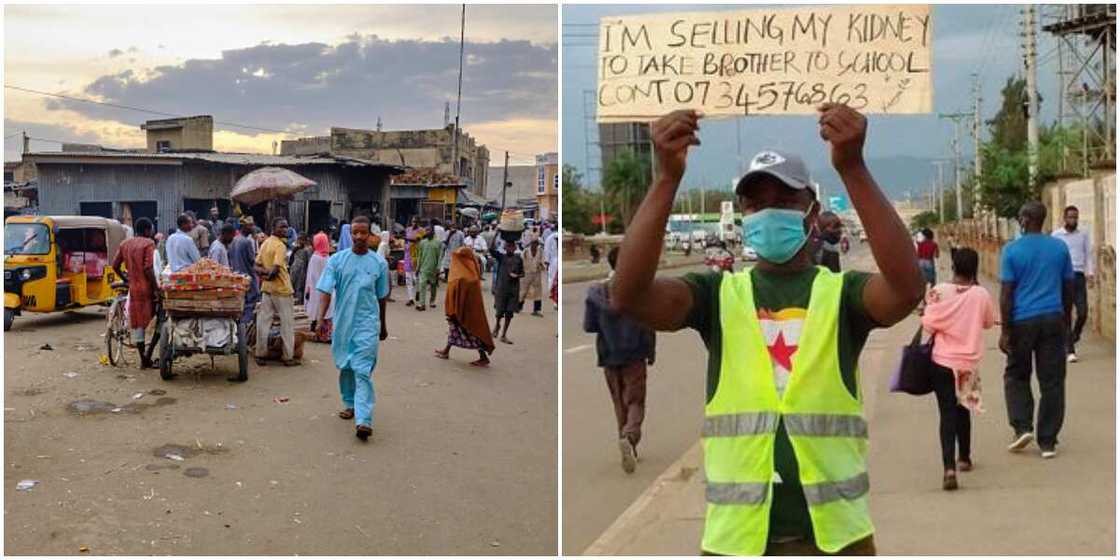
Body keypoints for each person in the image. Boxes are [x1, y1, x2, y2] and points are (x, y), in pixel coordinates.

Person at [610, 106, 925, 556]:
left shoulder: (844, 296)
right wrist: (666, 179)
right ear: (742, 213)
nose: (768, 211)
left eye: (784, 199)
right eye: (756, 203)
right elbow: (629, 295)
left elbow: (906, 288)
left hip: (836, 541)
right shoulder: (717, 296)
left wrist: (852, 167)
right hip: (738, 543)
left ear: (811, 211)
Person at [1000, 201, 1074, 460]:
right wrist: (1065, 320)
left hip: (1022, 321)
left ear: (1024, 219)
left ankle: (1022, 427)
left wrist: (1005, 331)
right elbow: (1068, 288)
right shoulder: (1059, 248)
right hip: (1053, 318)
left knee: (1016, 375)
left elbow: (1007, 295)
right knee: (1052, 380)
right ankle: (1048, 441)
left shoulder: (1011, 250)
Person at [921, 248, 997, 491]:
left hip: (942, 360)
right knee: (964, 407)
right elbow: (987, 323)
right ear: (974, 268)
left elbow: (928, 322)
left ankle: (948, 468)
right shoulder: (981, 294)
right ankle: (964, 458)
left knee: (946, 414)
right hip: (967, 363)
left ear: (953, 266)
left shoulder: (938, 292)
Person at [313, 216, 390, 441]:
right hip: (344, 322)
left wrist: (383, 326)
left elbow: (382, 296)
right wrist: (320, 320)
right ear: (349, 234)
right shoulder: (337, 261)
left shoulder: (379, 264)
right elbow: (325, 292)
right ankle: (349, 402)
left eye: (363, 233)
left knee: (362, 369)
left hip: (368, 322)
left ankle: (364, 419)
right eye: (354, 232)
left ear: (370, 236)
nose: (358, 237)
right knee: (346, 365)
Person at [584, 246, 656, 474]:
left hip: (609, 355)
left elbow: (589, 326)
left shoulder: (596, 292)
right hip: (635, 354)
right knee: (635, 401)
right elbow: (649, 324)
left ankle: (626, 444)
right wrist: (651, 351)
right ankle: (630, 436)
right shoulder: (639, 290)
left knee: (619, 402)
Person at [111, 218, 159, 369]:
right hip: (146, 288)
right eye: (150, 229)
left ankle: (143, 358)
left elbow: (115, 265)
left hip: (133, 288)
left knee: (138, 323)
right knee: (160, 319)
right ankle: (148, 355)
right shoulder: (148, 243)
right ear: (146, 230)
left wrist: (126, 278)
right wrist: (157, 287)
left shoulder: (125, 244)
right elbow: (148, 268)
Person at [435, 246, 496, 367]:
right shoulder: (468, 272)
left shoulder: (465, 277)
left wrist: (455, 310)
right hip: (459, 311)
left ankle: (483, 357)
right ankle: (446, 351)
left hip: (466, 313)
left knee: (473, 334)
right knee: (454, 331)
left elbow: (460, 294)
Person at [254, 217, 298, 367]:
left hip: (267, 288)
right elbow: (275, 271)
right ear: (273, 227)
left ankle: (260, 354)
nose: (284, 230)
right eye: (281, 227)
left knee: (263, 322)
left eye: (286, 227)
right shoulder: (280, 246)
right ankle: (288, 356)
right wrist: (269, 274)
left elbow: (256, 266)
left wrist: (263, 275)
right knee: (287, 324)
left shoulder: (265, 243)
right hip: (282, 289)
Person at [1052, 206, 1093, 363]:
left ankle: (1074, 335)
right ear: (1064, 218)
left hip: (1078, 275)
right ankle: (1070, 350)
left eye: (1075, 217)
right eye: (1070, 217)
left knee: (1082, 312)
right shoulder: (1056, 235)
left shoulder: (1083, 234)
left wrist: (1090, 273)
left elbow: (1088, 254)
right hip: (1063, 277)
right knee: (1066, 313)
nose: (1073, 220)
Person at [490, 239, 524, 344]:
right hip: (501, 289)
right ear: (505, 248)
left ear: (515, 248)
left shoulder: (518, 259)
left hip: (513, 290)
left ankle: (504, 334)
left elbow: (523, 273)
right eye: (508, 246)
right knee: (499, 311)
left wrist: (517, 275)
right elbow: (491, 249)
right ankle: (497, 326)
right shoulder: (501, 257)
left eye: (512, 246)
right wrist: (496, 234)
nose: (510, 248)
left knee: (509, 313)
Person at [229, 217, 259, 328]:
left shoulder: (235, 240)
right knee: (249, 306)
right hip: (247, 278)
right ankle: (245, 331)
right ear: (243, 227)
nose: (252, 228)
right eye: (249, 225)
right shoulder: (246, 242)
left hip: (237, 277)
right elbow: (252, 261)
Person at [305, 232, 334, 341]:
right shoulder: (328, 257)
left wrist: (308, 289)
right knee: (327, 311)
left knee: (317, 311)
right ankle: (326, 335)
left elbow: (311, 276)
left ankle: (318, 334)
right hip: (327, 289)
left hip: (316, 289)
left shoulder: (315, 257)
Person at [417, 228, 442, 311]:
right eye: (426, 231)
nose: (427, 232)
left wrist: (438, 267)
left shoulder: (438, 243)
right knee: (422, 284)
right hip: (424, 268)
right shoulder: (422, 242)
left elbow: (440, 256)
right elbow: (419, 256)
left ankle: (432, 301)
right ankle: (422, 304)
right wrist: (418, 267)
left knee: (433, 285)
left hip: (434, 268)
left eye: (429, 231)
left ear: (433, 232)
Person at [520, 236, 546, 316]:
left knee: (538, 291)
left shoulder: (540, 251)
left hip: (536, 273)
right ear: (531, 243)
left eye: (536, 243)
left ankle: (537, 309)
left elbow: (543, 261)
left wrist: (542, 265)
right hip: (526, 273)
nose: (535, 245)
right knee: (523, 291)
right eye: (533, 243)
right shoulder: (525, 251)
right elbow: (520, 261)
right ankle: (518, 307)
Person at [289, 234, 312, 306]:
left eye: (300, 240)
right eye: (298, 240)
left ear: (304, 241)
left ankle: (299, 304)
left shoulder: (307, 250)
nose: (298, 242)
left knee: (299, 288)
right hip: (294, 270)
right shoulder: (296, 249)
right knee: (293, 287)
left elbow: (309, 262)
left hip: (302, 272)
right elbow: (291, 260)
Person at [403, 219, 421, 306]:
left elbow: (417, 240)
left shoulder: (421, 231)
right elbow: (406, 241)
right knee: (408, 280)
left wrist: (408, 239)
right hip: (407, 257)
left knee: (416, 278)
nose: (414, 223)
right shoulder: (408, 229)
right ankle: (411, 299)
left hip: (415, 258)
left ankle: (418, 292)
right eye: (413, 221)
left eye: (415, 221)